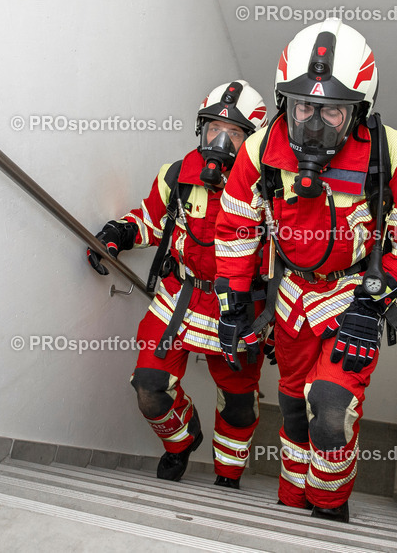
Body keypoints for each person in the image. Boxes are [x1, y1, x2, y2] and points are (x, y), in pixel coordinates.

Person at [214, 19, 397, 521]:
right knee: (294, 406)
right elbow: (236, 229)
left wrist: (371, 304)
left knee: (331, 408)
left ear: (359, 109)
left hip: (355, 296)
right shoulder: (259, 153)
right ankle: (292, 499)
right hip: (292, 296)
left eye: (332, 111)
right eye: (302, 108)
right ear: (283, 102)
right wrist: (232, 304)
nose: (313, 125)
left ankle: (329, 505)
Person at [88, 80, 269, 487]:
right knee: (150, 387)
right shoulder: (177, 175)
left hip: (237, 308)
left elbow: (282, 258)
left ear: (253, 142)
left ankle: (228, 475)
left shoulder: (269, 189)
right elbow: (152, 220)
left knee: (239, 404)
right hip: (179, 298)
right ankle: (181, 443)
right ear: (200, 129)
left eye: (235, 135)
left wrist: (276, 319)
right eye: (213, 130)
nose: (220, 142)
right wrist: (118, 233)